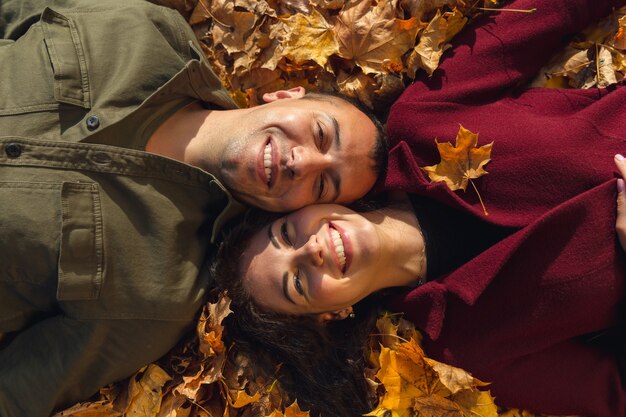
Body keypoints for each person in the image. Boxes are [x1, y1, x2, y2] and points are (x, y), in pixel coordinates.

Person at [0, 0, 386, 416]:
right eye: (320, 134)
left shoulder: (161, 293)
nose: (303, 162)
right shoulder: (147, 30)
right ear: (286, 94)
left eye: (323, 186)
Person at [213, 155, 626, 417]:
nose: (312, 250)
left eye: (287, 234)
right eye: (299, 282)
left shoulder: (423, 125)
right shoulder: (469, 347)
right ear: (332, 315)